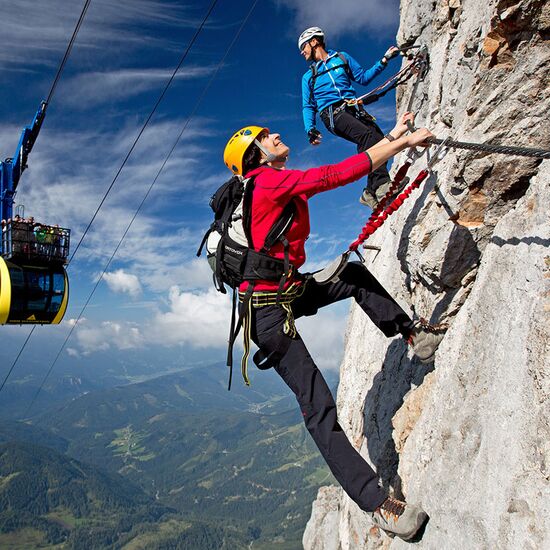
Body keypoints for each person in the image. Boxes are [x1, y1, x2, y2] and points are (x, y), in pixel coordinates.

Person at [221, 113, 445, 541]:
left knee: (353, 275)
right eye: (268, 137)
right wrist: (401, 145)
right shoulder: (267, 182)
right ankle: (378, 505)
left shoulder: (265, 185)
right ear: (257, 154)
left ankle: (414, 336)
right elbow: (334, 175)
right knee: (318, 406)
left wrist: (394, 135)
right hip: (268, 313)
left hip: (283, 292)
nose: (277, 136)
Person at [298, 26, 401, 209]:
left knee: (378, 139)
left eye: (303, 46)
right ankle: (382, 186)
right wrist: (310, 129)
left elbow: (362, 78)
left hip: (353, 108)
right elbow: (308, 105)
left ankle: (370, 191)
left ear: (314, 42)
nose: (301, 52)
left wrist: (384, 60)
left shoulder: (342, 58)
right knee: (366, 136)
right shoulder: (308, 76)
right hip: (331, 113)